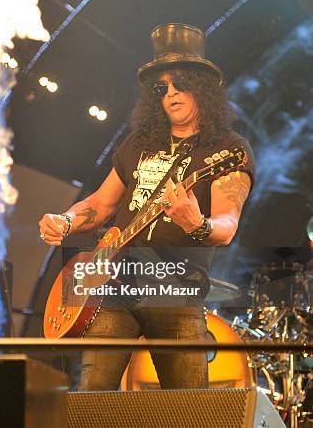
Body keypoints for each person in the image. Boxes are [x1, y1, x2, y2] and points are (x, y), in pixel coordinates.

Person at [39, 23, 255, 390]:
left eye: (180, 84)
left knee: (186, 408)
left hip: (176, 289)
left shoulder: (227, 149)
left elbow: (226, 224)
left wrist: (196, 224)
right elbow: (100, 205)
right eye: (161, 88)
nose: (170, 93)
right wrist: (66, 219)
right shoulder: (140, 142)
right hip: (116, 286)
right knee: (92, 398)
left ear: (201, 87)